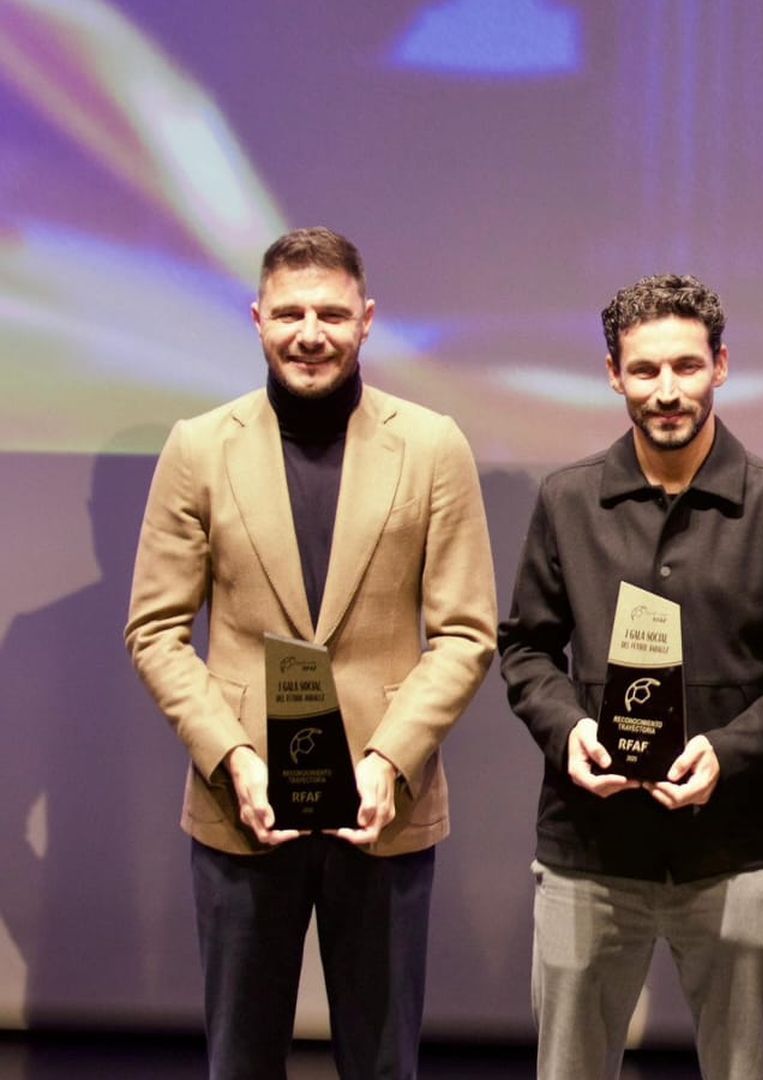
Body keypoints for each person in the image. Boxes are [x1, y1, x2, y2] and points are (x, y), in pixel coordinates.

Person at [125, 227, 496, 1079]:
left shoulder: (433, 445)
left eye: (331, 314)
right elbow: (155, 631)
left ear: (367, 320)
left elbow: (467, 632)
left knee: (384, 1065)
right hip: (242, 808)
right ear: (257, 318)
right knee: (240, 1062)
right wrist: (235, 760)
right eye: (290, 313)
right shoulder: (199, 447)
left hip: (383, 810)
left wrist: (388, 760)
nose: (310, 333)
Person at [498, 274, 763, 1079]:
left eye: (686, 366)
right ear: (614, 374)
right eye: (644, 370)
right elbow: (527, 649)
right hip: (587, 849)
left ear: (721, 366)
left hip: (734, 848)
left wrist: (728, 754)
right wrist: (569, 729)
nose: (666, 391)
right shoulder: (567, 500)